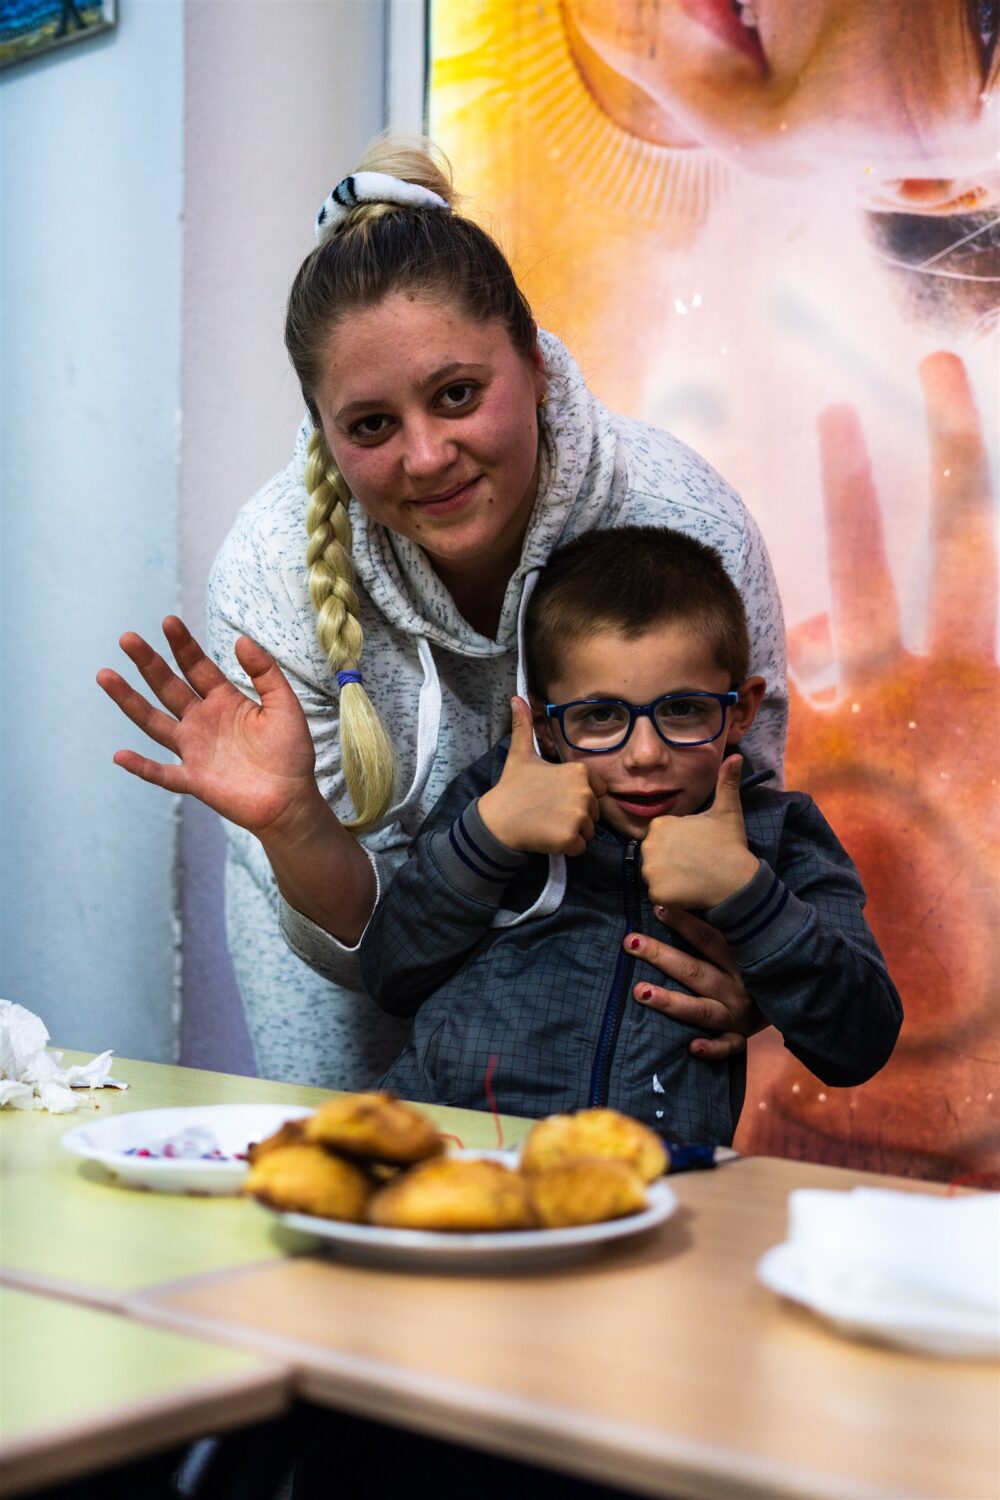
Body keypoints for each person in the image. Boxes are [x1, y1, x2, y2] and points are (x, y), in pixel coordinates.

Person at [97, 137, 788, 1089]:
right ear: (323, 431)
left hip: (606, 956)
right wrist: (295, 822)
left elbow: (738, 820)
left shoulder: (683, 520)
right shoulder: (273, 574)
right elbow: (370, 960)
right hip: (356, 931)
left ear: (536, 364)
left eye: (458, 395)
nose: (427, 458)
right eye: (372, 425)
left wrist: (749, 966)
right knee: (341, 1203)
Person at [359, 526, 901, 1140]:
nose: (645, 754)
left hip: (656, 1194)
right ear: (544, 726)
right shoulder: (499, 801)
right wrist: (490, 837)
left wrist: (749, 897)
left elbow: (861, 1044)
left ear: (742, 710)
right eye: (599, 715)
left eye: (683, 709)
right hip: (453, 1168)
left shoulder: (781, 835)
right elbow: (388, 975)